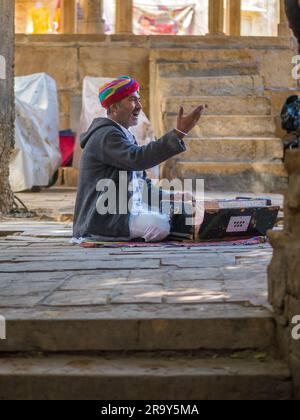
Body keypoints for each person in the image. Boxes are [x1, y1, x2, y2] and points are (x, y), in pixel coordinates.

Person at [73, 76, 204, 243]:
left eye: (139, 100)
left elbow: (142, 187)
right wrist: (178, 133)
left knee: (172, 210)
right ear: (114, 107)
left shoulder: (121, 135)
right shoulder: (106, 135)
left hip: (125, 210)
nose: (139, 107)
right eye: (133, 100)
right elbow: (138, 159)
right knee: (160, 225)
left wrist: (173, 196)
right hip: (103, 220)